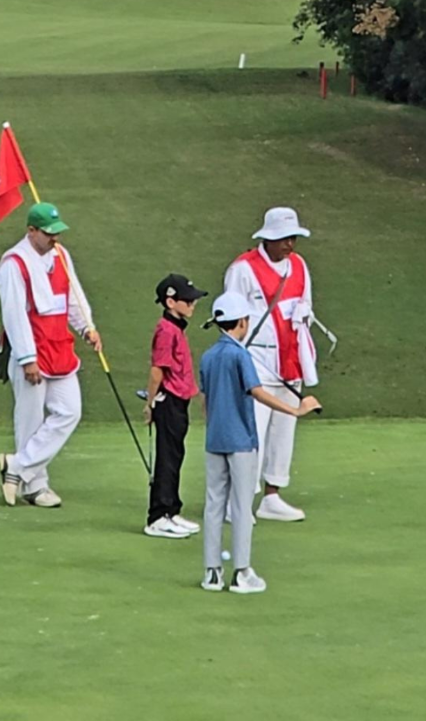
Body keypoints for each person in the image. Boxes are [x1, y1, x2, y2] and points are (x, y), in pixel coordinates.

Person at [198, 293, 321, 594]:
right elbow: (256, 391)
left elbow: (205, 400)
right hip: (241, 440)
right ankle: (241, 573)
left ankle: (212, 573)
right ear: (242, 322)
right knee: (241, 506)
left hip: (215, 439)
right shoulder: (241, 355)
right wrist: (295, 409)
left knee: (214, 504)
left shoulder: (208, 356)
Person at [0, 202, 100, 508]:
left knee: (70, 411)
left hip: (60, 347)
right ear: (31, 231)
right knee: (29, 420)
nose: (54, 238)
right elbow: (14, 314)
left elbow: (72, 297)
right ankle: (36, 485)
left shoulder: (61, 256)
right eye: (48, 233)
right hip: (32, 352)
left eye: (57, 232)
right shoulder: (13, 264)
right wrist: (28, 359)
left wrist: (86, 327)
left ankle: (16, 467)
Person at [223, 207, 320, 522]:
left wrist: (304, 312)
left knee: (283, 431)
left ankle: (272, 495)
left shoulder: (299, 266)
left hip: (290, 358)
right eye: (283, 239)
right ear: (267, 238)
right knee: (254, 434)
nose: (289, 245)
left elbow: (305, 300)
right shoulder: (243, 269)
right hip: (257, 360)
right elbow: (230, 315)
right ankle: (237, 501)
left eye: (293, 238)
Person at [142, 273, 209, 540]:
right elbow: (157, 371)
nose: (193, 305)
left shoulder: (176, 328)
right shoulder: (166, 330)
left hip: (178, 402)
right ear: (171, 302)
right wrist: (150, 404)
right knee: (167, 459)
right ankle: (158, 516)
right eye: (187, 301)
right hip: (167, 401)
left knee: (175, 457)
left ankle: (171, 510)